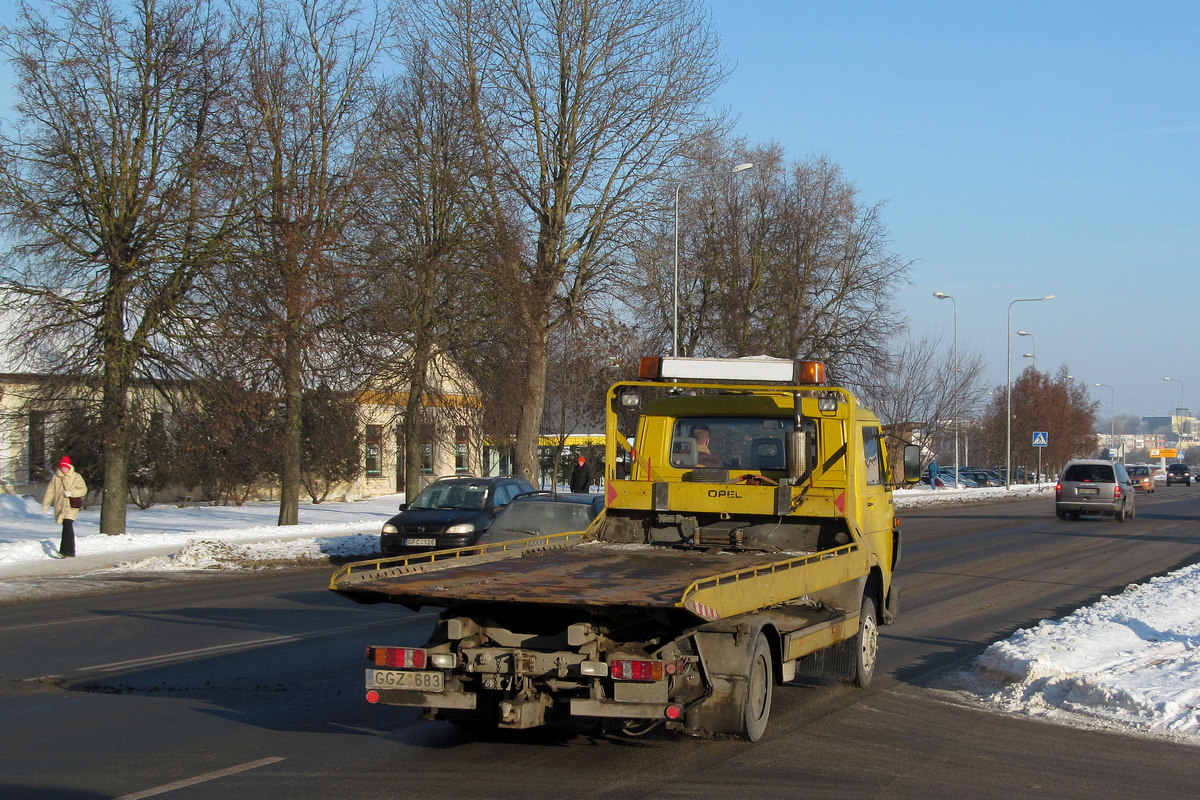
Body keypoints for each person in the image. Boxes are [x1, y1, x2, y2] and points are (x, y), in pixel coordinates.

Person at [42, 456, 87, 558]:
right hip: (60, 505)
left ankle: (64, 551)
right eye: (62, 468)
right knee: (66, 526)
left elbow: (83, 490)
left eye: (65, 468)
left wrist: (72, 493)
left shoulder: (76, 476)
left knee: (67, 523)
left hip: (71, 505)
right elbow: (50, 491)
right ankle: (71, 551)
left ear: (69, 467)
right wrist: (46, 504)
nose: (64, 470)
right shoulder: (56, 477)